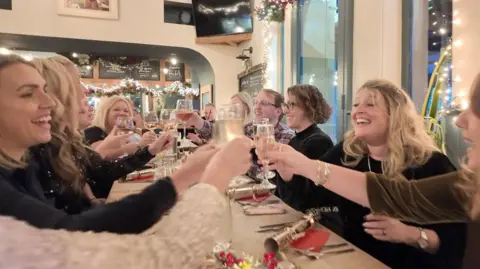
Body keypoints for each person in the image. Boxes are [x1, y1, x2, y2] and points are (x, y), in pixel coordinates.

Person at [263, 75, 480, 269]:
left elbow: (454, 245)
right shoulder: (347, 153)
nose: (357, 111)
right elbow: (308, 198)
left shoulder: (433, 164)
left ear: (395, 114)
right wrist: (288, 171)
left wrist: (410, 235)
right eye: (356, 104)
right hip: (351, 259)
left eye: (370, 104)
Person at [0, 54, 219, 234]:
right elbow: (69, 232)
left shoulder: (25, 163)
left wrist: (150, 153)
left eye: (44, 90)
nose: (48, 101)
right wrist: (181, 179)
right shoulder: (35, 157)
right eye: (28, 94)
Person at [0, 136, 254, 269]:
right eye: (27, 93)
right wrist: (214, 178)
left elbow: (72, 230)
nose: (48, 102)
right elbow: (166, 258)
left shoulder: (23, 168)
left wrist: (182, 178)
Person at [273, 84, 334, 212]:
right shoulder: (295, 140)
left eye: (292, 105)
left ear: (308, 107)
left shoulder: (318, 142)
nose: (285, 111)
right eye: (286, 105)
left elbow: (308, 199)